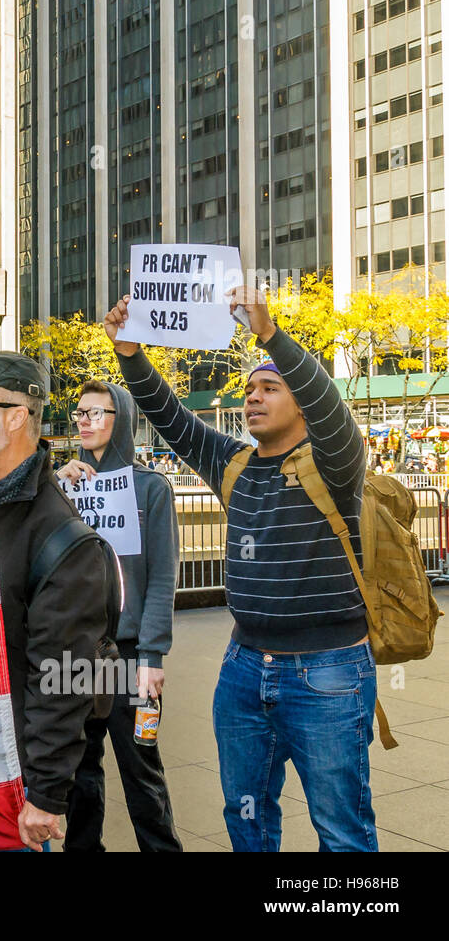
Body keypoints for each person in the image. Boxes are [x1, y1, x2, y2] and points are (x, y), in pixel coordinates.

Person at [104, 288, 376, 852]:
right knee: (246, 816)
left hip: (327, 672)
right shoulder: (234, 465)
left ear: (300, 401)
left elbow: (331, 407)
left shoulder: (335, 461)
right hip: (243, 670)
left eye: (269, 388)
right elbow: (172, 418)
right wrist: (130, 354)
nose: (252, 397)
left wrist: (271, 335)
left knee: (341, 830)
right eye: (249, 388)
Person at [0, 353, 112, 849]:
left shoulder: (62, 540)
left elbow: (63, 676)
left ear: (16, 417)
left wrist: (48, 793)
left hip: (9, 774)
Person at [56, 381, 183, 852]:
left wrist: (153, 654)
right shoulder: (63, 487)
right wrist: (57, 487)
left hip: (131, 659)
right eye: (79, 413)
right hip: (75, 657)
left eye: (97, 412)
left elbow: (162, 578)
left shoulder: (150, 489)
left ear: (122, 419)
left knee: (142, 770)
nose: (85, 421)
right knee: (80, 775)